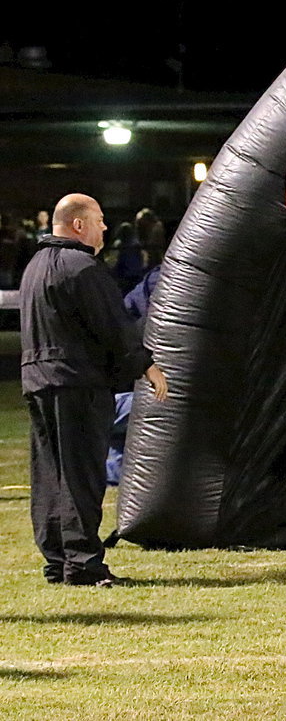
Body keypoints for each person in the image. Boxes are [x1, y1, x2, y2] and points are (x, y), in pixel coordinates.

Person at [20, 193, 168, 587]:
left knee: (50, 475)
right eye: (99, 220)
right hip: (77, 384)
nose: (105, 227)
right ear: (79, 225)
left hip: (38, 382)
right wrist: (146, 366)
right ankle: (85, 564)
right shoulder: (83, 268)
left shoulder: (34, 267)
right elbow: (113, 327)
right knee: (82, 475)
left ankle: (57, 561)